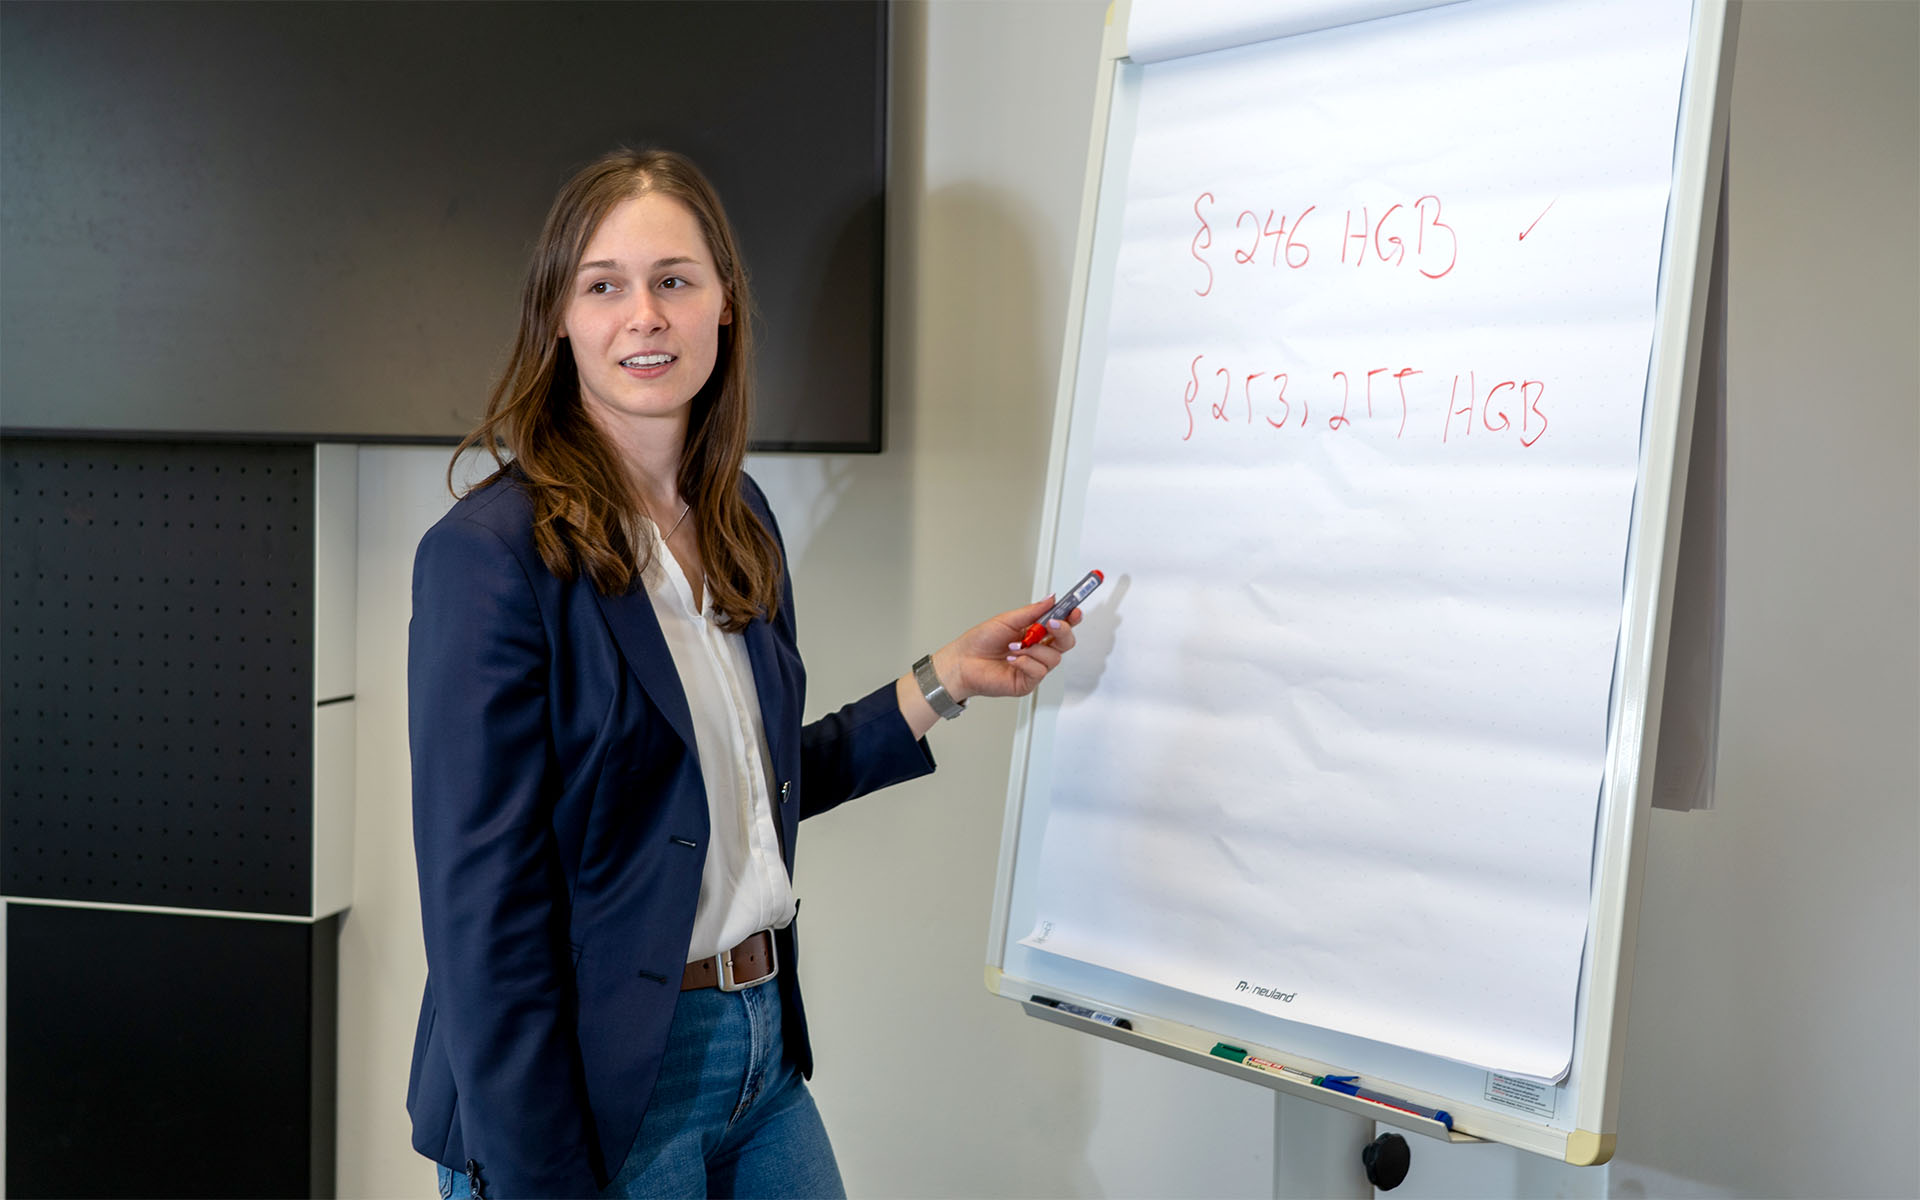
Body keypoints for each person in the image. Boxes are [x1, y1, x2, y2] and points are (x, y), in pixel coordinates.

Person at [405, 148, 1082, 1199]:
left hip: (758, 1056)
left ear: (723, 307)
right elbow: (480, 917)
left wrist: (943, 680)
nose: (646, 315)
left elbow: (737, 791)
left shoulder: (738, 520)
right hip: (593, 1086)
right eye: (605, 285)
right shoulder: (490, 557)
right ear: (559, 318)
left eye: (675, 280)